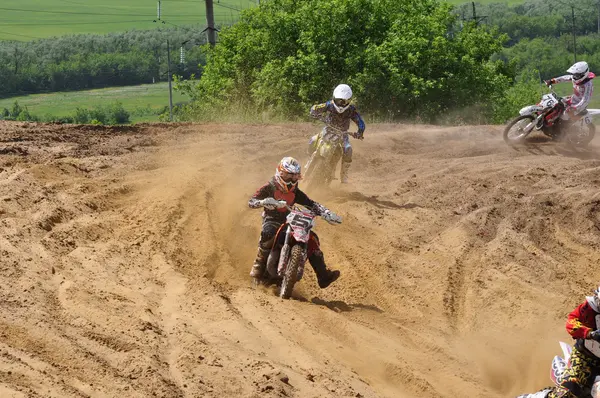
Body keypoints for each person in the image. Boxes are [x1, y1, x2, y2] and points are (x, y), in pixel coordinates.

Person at [248, 156, 341, 288]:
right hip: (272, 220)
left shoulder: (296, 192)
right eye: (288, 176)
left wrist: (326, 213)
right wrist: (262, 202)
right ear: (280, 172)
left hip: (291, 221)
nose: (292, 180)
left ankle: (323, 276)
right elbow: (251, 202)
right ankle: (258, 268)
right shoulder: (269, 187)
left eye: (295, 177)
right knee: (268, 232)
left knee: (312, 238)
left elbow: (311, 204)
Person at [518, 286, 600, 398]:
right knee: (567, 393)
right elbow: (571, 322)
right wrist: (590, 333)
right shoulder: (588, 308)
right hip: (584, 359)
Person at [308, 84, 365, 183]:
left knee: (348, 149)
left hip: (343, 134)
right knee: (313, 140)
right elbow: (315, 107)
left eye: (345, 102)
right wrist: (315, 113)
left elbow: (361, 123)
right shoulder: (329, 105)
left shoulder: (351, 110)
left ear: (349, 100)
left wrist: (359, 132)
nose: (341, 104)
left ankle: (344, 174)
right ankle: (310, 158)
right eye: (339, 100)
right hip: (328, 129)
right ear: (334, 98)